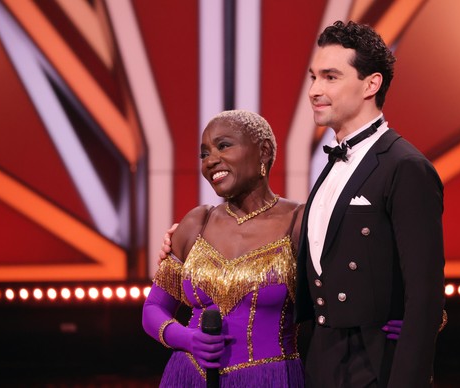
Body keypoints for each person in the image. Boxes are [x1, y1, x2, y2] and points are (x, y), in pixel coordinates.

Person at [148, 110, 404, 387]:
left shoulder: (302, 221)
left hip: (269, 378)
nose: (210, 161)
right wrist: (186, 338)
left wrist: (406, 317)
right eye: (204, 154)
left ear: (264, 151)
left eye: (223, 146)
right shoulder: (197, 222)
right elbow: (154, 308)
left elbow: (357, 280)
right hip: (187, 376)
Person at [294, 21, 446, 387]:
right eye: (314, 77)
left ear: (371, 84)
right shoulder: (332, 165)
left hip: (376, 370)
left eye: (330, 77)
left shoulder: (405, 167)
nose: (315, 90)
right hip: (320, 365)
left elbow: (425, 299)